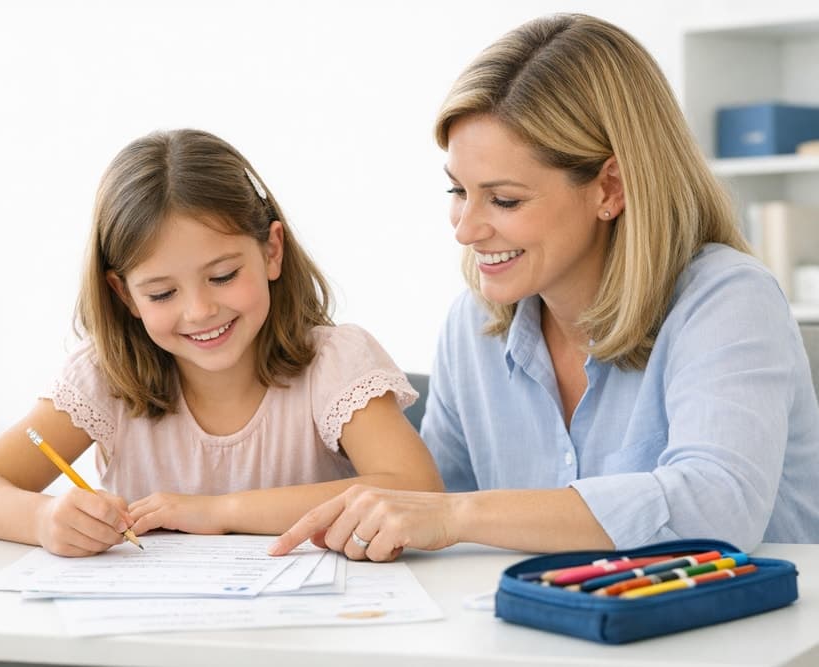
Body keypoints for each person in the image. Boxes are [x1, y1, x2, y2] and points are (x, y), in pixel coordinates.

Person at [269, 13, 819, 563]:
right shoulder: (472, 326)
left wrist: (458, 516)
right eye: (458, 190)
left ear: (611, 187)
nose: (465, 229)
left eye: (505, 200)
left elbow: (720, 506)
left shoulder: (728, 299)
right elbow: (426, 511)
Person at [0, 128, 443, 557]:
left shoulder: (334, 363)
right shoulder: (106, 380)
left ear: (272, 251)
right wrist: (45, 520)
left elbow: (419, 490)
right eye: (162, 292)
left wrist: (219, 511)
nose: (200, 311)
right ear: (125, 295)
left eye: (223, 276)